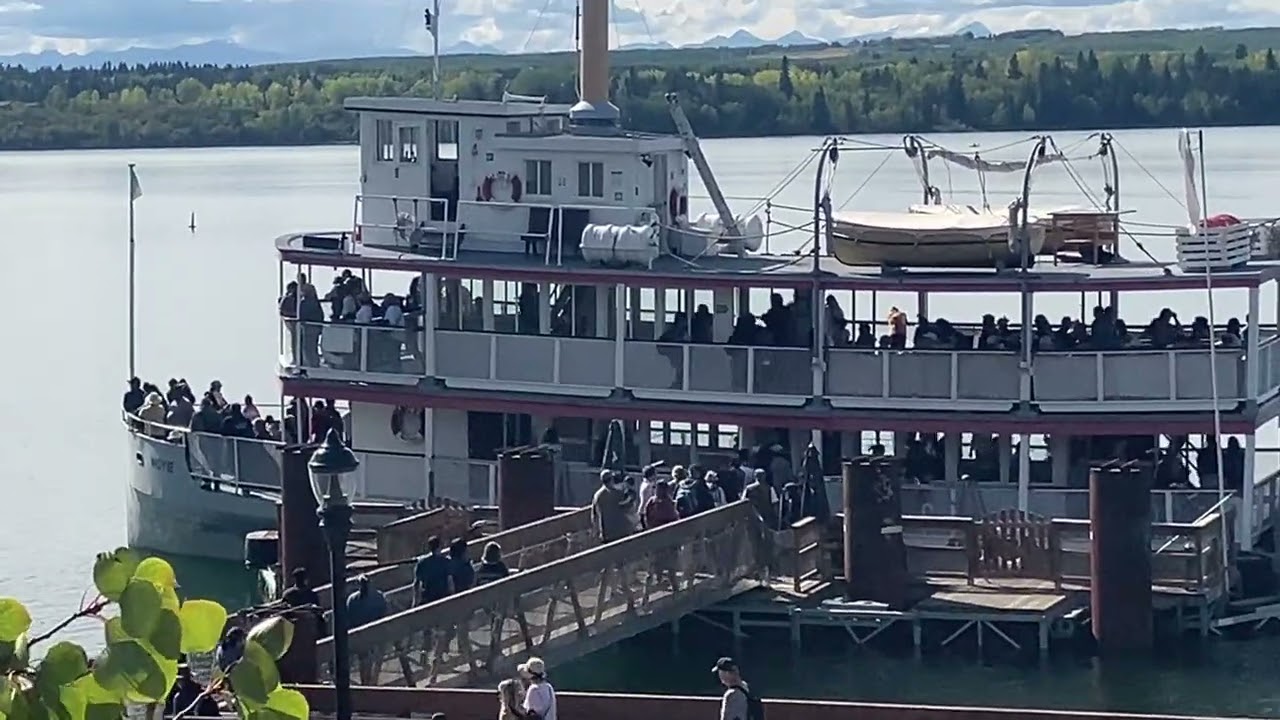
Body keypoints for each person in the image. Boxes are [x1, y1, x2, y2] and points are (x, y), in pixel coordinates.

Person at [415, 536, 452, 604]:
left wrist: (415, 602)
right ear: (440, 546)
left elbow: (416, 584)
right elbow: (450, 581)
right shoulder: (446, 562)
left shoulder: (422, 563)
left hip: (428, 598)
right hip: (443, 597)